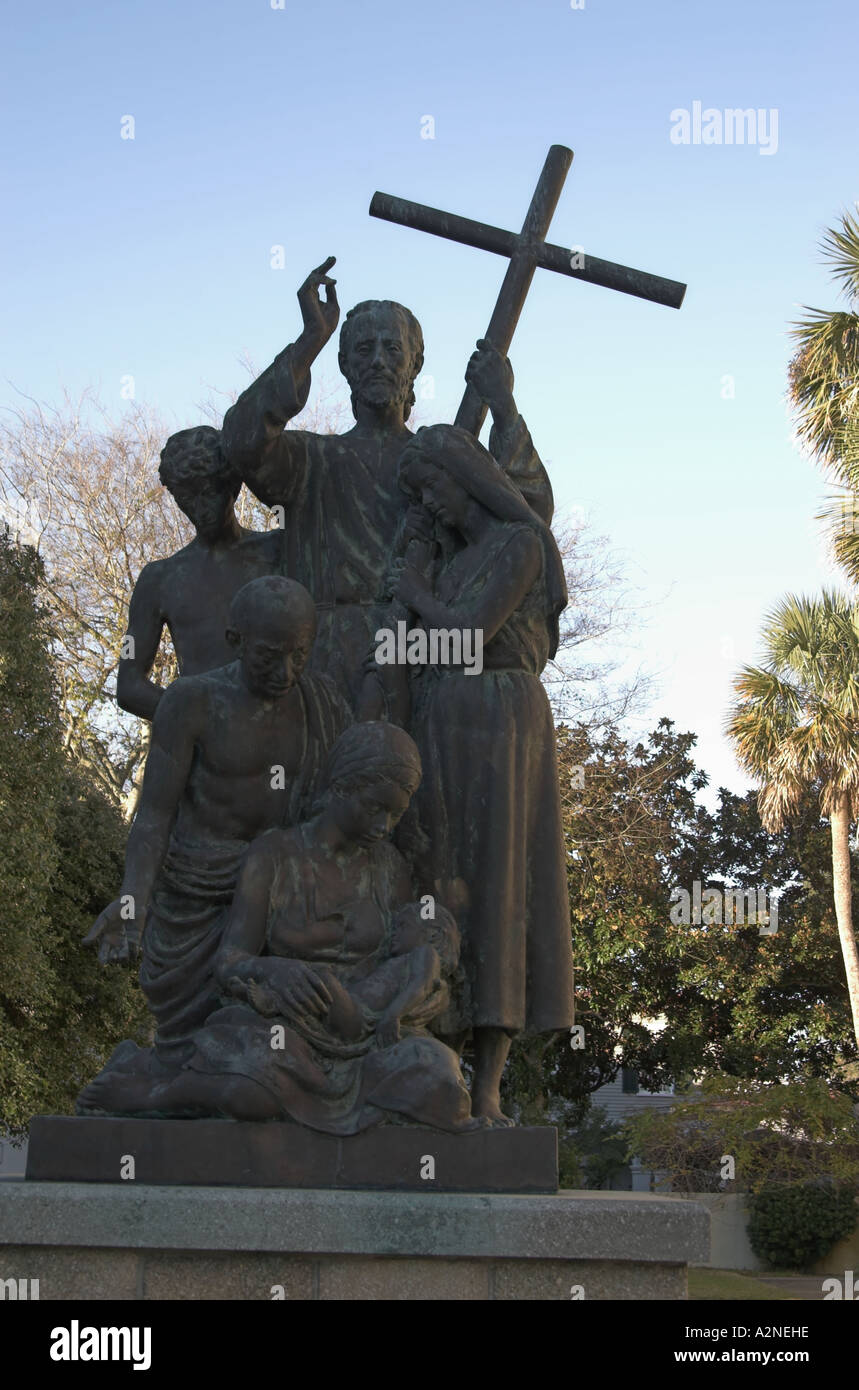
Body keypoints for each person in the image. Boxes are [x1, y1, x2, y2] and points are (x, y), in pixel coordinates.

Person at [80, 722, 480, 1134]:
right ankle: (152, 1094)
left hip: (365, 1035)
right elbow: (230, 961)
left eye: (395, 813)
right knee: (253, 1086)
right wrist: (276, 970)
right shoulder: (273, 855)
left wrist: (421, 996)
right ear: (341, 786)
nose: (383, 825)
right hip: (287, 1025)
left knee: (440, 1077)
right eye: (374, 807)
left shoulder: (390, 869)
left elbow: (408, 959)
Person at [221, 254, 553, 709]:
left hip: (418, 658)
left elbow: (528, 513)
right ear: (344, 365)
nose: (378, 361)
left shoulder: (447, 463)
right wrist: (310, 338)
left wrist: (503, 405)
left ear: (415, 363)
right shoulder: (310, 459)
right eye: (363, 349)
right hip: (319, 664)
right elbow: (240, 441)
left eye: (392, 349)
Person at [79, 576, 350, 1108]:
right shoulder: (191, 703)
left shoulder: (321, 703)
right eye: (269, 657)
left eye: (299, 655)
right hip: (195, 896)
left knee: (271, 1041)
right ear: (235, 640)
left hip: (280, 900)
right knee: (189, 1046)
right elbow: (155, 813)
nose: (286, 672)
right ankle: (148, 1085)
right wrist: (133, 899)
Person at [394, 424, 574, 1127]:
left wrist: (415, 593)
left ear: (463, 478)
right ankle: (430, 1069)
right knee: (440, 881)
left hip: (500, 717)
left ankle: (491, 1086)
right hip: (440, 719)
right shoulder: (447, 559)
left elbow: (468, 637)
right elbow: (418, 644)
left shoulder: (519, 544)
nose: (429, 504)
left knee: (501, 887)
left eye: (432, 487)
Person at [117, 426, 282, 720]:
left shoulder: (277, 551)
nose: (199, 508)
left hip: (282, 731)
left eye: (208, 493)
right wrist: (194, 718)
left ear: (232, 486)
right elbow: (129, 685)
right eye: (186, 498)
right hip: (203, 748)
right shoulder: (159, 579)